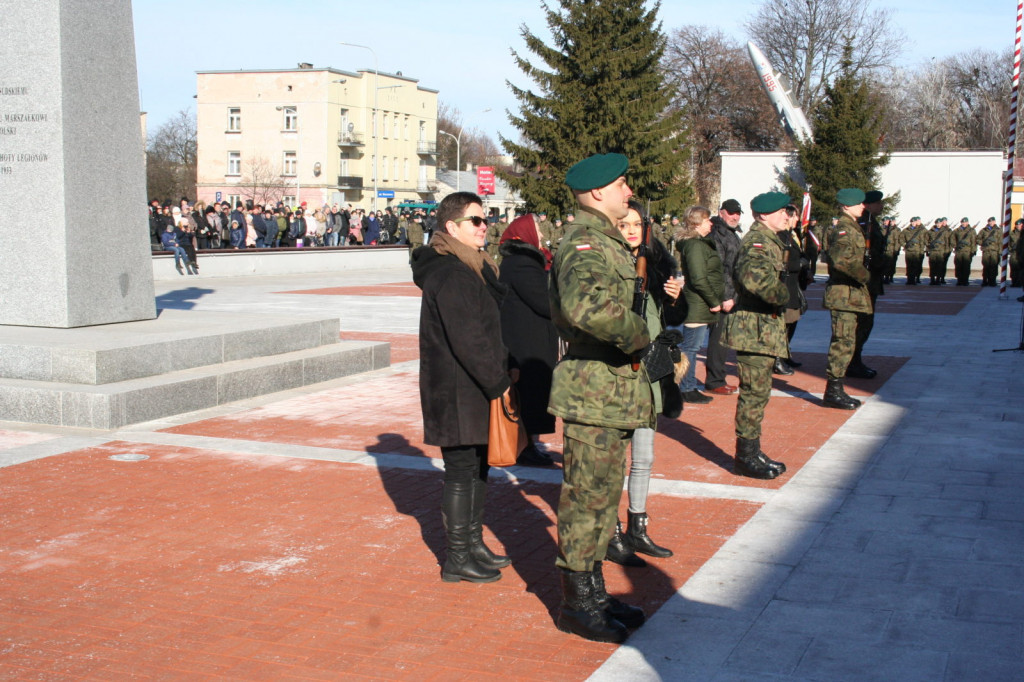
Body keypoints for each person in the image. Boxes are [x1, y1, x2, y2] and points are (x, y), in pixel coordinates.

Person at [549, 153, 649, 643]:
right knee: (586, 499)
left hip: (607, 390)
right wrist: (639, 332)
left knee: (603, 499)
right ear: (595, 193)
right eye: (620, 185)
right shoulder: (586, 242)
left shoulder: (606, 239)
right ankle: (576, 605)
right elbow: (586, 307)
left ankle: (595, 594)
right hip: (592, 388)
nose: (628, 192)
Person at [411, 191, 513, 584]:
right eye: (475, 220)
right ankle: (457, 556)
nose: (484, 225)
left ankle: (472, 544)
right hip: (456, 388)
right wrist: (498, 384)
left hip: (471, 386)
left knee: (478, 467)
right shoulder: (450, 272)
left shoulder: (471, 266)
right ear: (451, 227)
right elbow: (468, 338)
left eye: (484, 219)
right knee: (460, 471)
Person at [606, 199, 682, 567]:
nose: (632, 230)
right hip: (619, 373)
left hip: (650, 372)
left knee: (645, 456)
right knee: (614, 458)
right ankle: (612, 530)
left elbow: (671, 318)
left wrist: (675, 299)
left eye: (637, 224)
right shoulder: (609, 265)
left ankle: (638, 525)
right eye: (625, 224)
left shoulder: (658, 264)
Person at [720, 191, 792, 479]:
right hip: (754, 330)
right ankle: (745, 457)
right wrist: (785, 295)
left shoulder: (770, 240)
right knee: (753, 394)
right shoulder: (758, 243)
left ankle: (752, 450)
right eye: (782, 211)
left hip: (761, 329)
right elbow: (754, 279)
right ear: (764, 215)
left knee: (759, 393)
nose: (787, 216)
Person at [497, 214, 557, 468]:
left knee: (533, 394)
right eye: (538, 231)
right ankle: (524, 447)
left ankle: (529, 444)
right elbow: (544, 301)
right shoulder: (522, 263)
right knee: (530, 395)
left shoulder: (525, 262)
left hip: (529, 338)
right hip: (526, 341)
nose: (542, 236)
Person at [822, 189, 870, 410]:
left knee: (847, 341)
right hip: (843, 294)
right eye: (859, 204)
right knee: (842, 342)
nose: (863, 207)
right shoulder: (844, 229)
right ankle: (833, 391)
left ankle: (837, 388)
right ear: (846, 206)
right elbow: (841, 261)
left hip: (849, 295)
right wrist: (864, 275)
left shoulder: (851, 226)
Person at [675, 205, 725, 403]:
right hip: (697, 303)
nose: (710, 223)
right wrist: (714, 301)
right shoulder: (695, 245)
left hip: (700, 302)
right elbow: (698, 278)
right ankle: (686, 388)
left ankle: (688, 386)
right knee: (691, 347)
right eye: (707, 220)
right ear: (696, 223)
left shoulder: (698, 243)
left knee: (692, 346)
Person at [704, 199, 743, 395]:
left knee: (724, 339)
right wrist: (726, 297)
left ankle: (718, 377)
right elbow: (718, 269)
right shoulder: (717, 234)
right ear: (722, 213)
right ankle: (714, 380)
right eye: (731, 213)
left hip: (733, 295)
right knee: (718, 340)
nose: (735, 216)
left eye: (738, 213)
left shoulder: (732, 233)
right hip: (724, 296)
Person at [850, 190, 886, 379]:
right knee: (861, 323)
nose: (881, 206)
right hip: (865, 282)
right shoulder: (864, 223)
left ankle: (856, 360)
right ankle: (852, 362)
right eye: (878, 202)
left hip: (872, 280)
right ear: (868, 204)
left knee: (866, 323)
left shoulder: (871, 221)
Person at [774, 205, 807, 374]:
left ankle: (785, 355)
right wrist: (799, 264)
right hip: (785, 286)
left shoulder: (792, 235)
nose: (797, 220)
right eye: (795, 217)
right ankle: (777, 359)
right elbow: (783, 262)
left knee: (792, 323)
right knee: (783, 325)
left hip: (794, 286)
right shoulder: (781, 236)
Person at [901, 216, 927, 284]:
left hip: (917, 250)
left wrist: (923, 249)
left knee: (916, 265)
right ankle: (909, 279)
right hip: (909, 250)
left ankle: (915, 278)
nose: (913, 223)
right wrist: (905, 245)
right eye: (912, 222)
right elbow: (901, 239)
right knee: (909, 265)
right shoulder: (906, 230)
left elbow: (925, 240)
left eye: (914, 222)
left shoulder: (921, 230)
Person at [952, 217, 978, 286]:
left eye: (965, 222)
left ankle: (965, 280)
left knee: (966, 266)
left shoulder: (972, 231)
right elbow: (953, 239)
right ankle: (959, 280)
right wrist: (955, 246)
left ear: (968, 222)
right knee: (958, 266)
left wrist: (973, 251)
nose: (964, 224)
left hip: (967, 251)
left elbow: (974, 241)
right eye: (963, 222)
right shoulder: (956, 231)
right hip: (959, 251)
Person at [977, 217, 1002, 286]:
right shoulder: (983, 230)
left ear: (994, 222)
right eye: (989, 222)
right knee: (986, 266)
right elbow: (978, 239)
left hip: (995, 251)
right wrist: (983, 243)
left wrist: (1000, 252)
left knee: (994, 266)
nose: (991, 223)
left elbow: (1001, 241)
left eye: (992, 221)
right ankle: (985, 280)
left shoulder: (998, 230)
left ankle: (992, 281)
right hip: (986, 251)